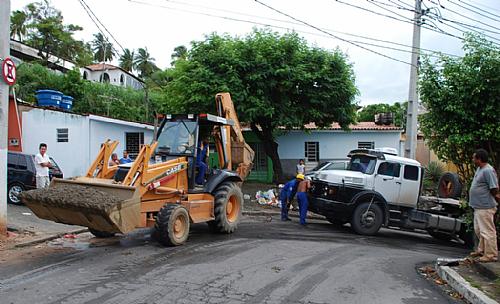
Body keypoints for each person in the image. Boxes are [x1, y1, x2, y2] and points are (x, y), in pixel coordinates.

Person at [469, 149, 500, 263]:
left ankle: (491, 254)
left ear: (479, 159)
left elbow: (494, 188)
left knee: (487, 231)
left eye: (474, 158)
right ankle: (482, 250)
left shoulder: (488, 171)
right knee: (479, 230)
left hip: (485, 206)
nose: (473, 160)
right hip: (478, 206)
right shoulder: (479, 169)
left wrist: (496, 197)